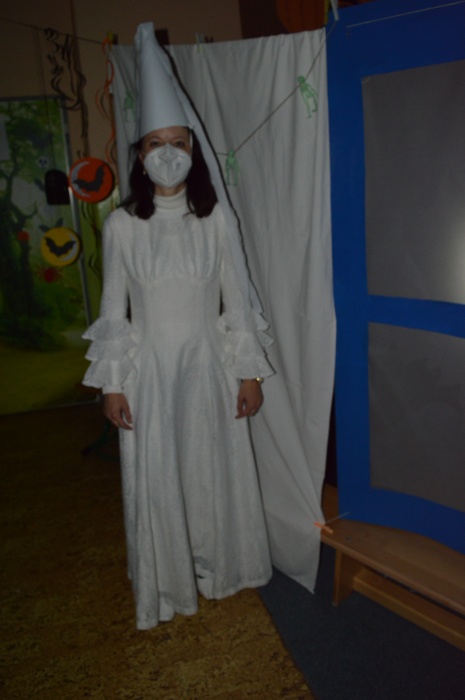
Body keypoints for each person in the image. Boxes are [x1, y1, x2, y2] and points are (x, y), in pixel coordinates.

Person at [82, 23, 274, 630]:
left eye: (178, 141)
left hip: (209, 368)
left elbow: (236, 300)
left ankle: (221, 565)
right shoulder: (122, 227)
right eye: (155, 142)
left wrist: (249, 373)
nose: (168, 152)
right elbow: (113, 311)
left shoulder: (215, 220)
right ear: (140, 154)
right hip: (150, 374)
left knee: (212, 467)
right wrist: (114, 385)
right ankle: (167, 579)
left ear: (193, 148)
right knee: (160, 475)